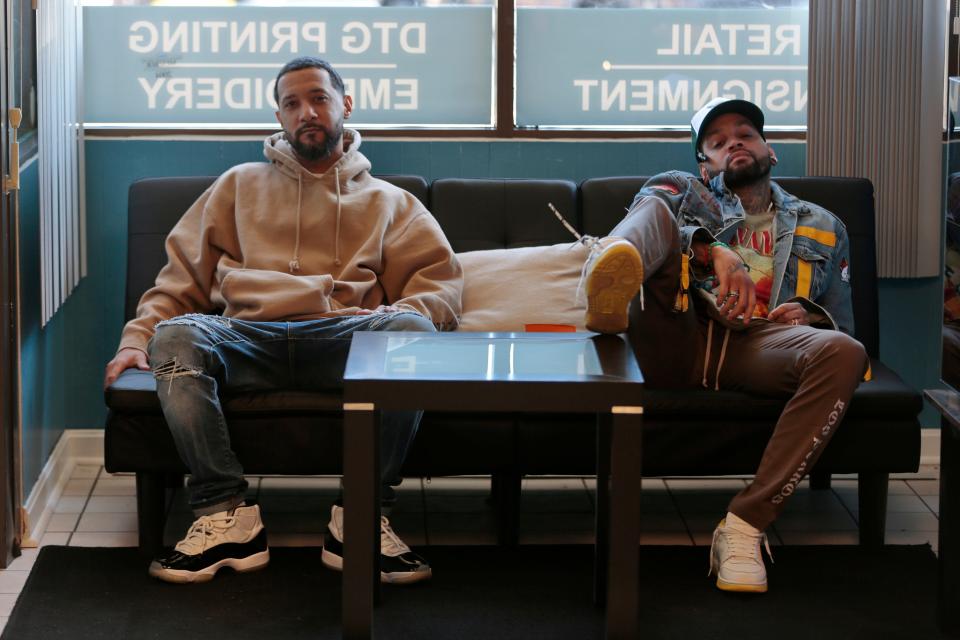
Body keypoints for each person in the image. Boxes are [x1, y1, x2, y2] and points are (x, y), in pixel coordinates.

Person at [102, 57, 462, 585]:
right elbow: (179, 280)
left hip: (342, 338)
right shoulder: (235, 186)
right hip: (246, 337)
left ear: (345, 104)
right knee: (175, 336)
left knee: (413, 334)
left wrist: (405, 311)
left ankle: (361, 518)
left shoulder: (391, 202)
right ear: (278, 116)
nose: (306, 112)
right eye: (291, 104)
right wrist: (136, 340)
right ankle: (225, 517)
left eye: (318, 98)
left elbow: (441, 285)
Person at [582, 97, 869, 593]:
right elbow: (655, 207)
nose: (733, 142)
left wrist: (809, 316)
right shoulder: (683, 187)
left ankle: (743, 525)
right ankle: (603, 276)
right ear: (705, 162)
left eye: (745, 134)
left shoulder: (824, 227)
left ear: (769, 150)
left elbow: (842, 323)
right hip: (676, 330)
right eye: (716, 141)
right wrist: (709, 247)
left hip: (755, 344)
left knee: (845, 352)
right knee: (654, 210)